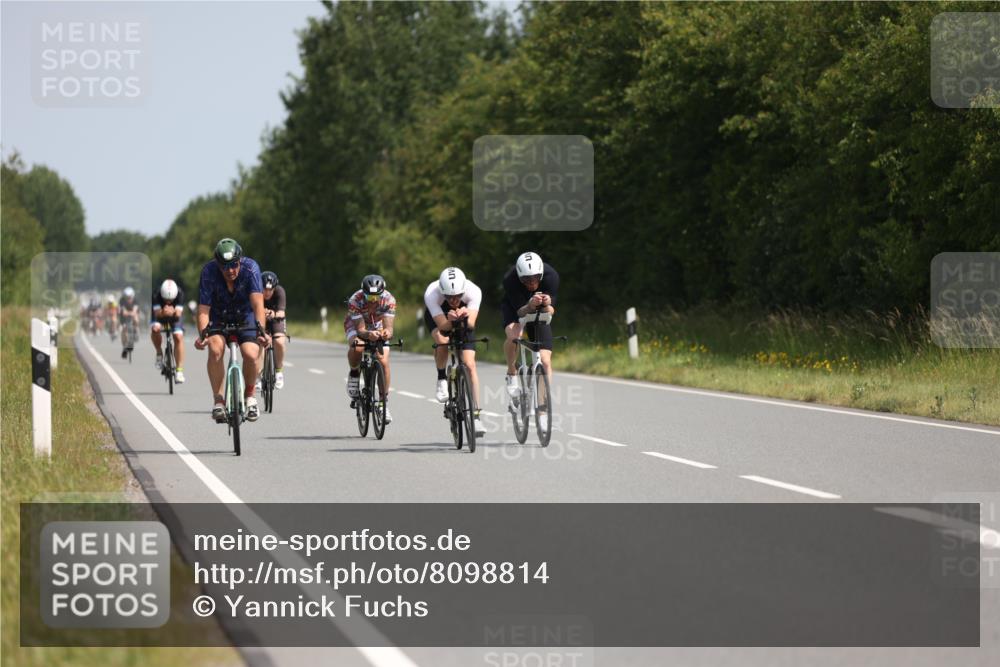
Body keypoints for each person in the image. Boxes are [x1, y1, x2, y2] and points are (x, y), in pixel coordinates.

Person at [193, 238, 270, 422]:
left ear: (240, 261)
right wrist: (203, 334)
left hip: (245, 315)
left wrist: (261, 332)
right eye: (225, 266)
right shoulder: (209, 272)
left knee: (251, 354)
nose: (230, 271)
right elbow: (203, 310)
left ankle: (250, 396)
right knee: (215, 349)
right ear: (218, 265)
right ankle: (218, 401)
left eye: (234, 265)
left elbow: (258, 304)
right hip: (219, 316)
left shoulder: (251, 269)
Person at [424, 267, 485, 437]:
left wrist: (463, 316)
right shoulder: (432, 293)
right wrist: (450, 320)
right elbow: (443, 327)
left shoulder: (474, 291)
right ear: (442, 291)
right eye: (449, 297)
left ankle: (476, 415)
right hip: (440, 317)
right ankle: (442, 377)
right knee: (442, 342)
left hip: (464, 319)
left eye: (457, 296)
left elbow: (471, 324)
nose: (453, 300)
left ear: (463, 291)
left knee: (470, 365)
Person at [501, 251, 559, 429]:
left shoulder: (551, 276)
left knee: (546, 361)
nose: (531, 283)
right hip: (515, 308)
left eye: (535, 279)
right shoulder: (510, 279)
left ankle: (542, 410)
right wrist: (530, 305)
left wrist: (548, 304)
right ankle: (512, 372)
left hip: (539, 313)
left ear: (541, 275)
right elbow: (520, 313)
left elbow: (551, 312)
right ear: (519, 277)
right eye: (526, 280)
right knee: (514, 335)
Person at [344, 274, 397, 423]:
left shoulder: (389, 300)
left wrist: (386, 333)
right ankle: (354, 373)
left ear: (382, 294)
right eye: (369, 297)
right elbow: (360, 330)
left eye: (376, 298)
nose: (373, 301)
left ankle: (383, 403)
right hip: (357, 325)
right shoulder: (355, 300)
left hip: (377, 325)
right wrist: (368, 334)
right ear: (363, 294)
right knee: (358, 346)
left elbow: (389, 328)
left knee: (383, 361)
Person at [151, 279, 187, 383]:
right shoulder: (156, 295)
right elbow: (157, 314)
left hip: (174, 315)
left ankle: (179, 371)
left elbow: (178, 315)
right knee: (155, 329)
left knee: (178, 336)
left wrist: (171, 312)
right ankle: (159, 353)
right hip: (159, 313)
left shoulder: (180, 294)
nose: (168, 302)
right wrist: (164, 312)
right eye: (166, 299)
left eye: (171, 300)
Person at [261, 271, 288, 389]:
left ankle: (279, 371)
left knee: (279, 342)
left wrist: (272, 313)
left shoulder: (280, 292)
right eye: (265, 290)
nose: (267, 293)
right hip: (260, 320)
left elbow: (282, 313)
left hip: (276, 318)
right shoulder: (255, 292)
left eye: (270, 290)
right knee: (259, 343)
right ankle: (258, 375)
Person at [118, 286, 140, 358]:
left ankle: (136, 330)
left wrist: (131, 313)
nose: (128, 299)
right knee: (123, 330)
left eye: (130, 297)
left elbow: (135, 311)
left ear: (132, 296)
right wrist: (128, 313)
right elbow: (123, 312)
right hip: (123, 317)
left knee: (136, 319)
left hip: (133, 314)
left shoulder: (135, 300)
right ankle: (124, 347)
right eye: (127, 297)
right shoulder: (122, 301)